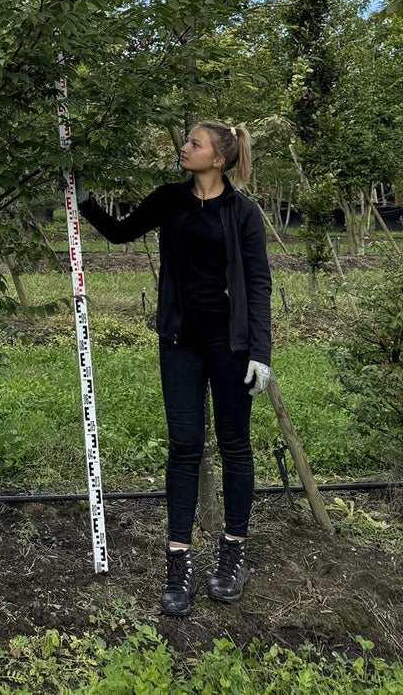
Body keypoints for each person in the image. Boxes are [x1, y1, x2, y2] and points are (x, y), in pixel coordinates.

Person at [76, 121, 272, 617]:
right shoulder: (170, 198)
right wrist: (84, 199)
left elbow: (259, 284)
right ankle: (178, 563)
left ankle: (232, 556)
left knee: (234, 446)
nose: (183, 148)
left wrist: (260, 353)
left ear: (219, 159)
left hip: (232, 346)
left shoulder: (243, 212)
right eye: (186, 141)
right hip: (180, 341)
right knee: (184, 447)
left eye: (194, 143)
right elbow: (120, 234)